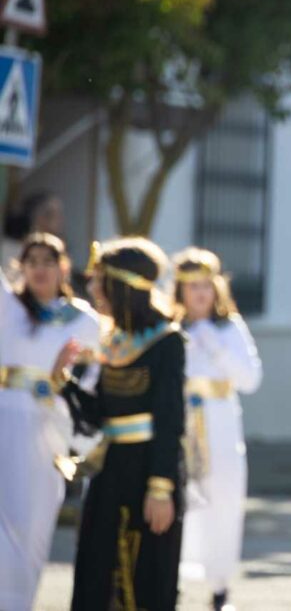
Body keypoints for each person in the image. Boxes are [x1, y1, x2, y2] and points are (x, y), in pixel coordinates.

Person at [55, 238, 186, 611]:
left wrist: (161, 489)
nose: (93, 288)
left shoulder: (167, 341)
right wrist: (65, 381)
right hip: (110, 471)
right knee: (98, 572)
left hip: (148, 472)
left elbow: (170, 419)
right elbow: (100, 416)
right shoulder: (113, 341)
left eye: (100, 280)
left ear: (122, 286)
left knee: (143, 577)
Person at [0, 233, 100, 611]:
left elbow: (91, 385)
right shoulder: (9, 309)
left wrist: (62, 391)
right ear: (21, 268)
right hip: (4, 420)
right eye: (31, 261)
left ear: (63, 266)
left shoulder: (83, 320)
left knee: (34, 524)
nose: (39, 269)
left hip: (49, 429)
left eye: (47, 261)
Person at [173, 247, 262, 611]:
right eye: (191, 286)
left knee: (223, 499)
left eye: (206, 285)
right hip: (181, 423)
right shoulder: (172, 329)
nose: (199, 293)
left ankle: (220, 587)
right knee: (181, 499)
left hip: (221, 424)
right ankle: (173, 581)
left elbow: (251, 379)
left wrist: (217, 348)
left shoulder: (230, 328)